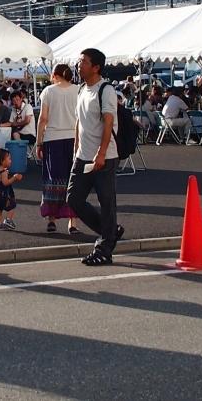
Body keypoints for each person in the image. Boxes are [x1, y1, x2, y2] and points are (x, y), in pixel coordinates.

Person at [68, 48, 123, 266]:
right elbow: (79, 122)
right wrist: (76, 150)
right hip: (83, 156)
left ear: (96, 67)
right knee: (73, 198)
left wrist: (101, 153)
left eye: (83, 62)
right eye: (79, 61)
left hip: (104, 158)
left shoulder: (105, 90)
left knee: (106, 202)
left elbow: (108, 123)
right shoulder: (82, 89)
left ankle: (104, 249)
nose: (79, 65)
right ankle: (110, 231)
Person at [36, 64, 79, 234]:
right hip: (74, 138)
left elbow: (43, 118)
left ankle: (51, 220)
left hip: (53, 139)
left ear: (54, 74)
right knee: (73, 180)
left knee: (53, 180)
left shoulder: (48, 91)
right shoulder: (78, 90)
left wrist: (39, 142)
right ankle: (73, 222)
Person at [0, 147, 22, 231]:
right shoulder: (4, 172)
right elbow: (5, 183)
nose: (11, 161)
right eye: (9, 159)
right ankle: (8, 220)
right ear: (2, 161)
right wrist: (14, 178)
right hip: (3, 194)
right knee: (12, 206)